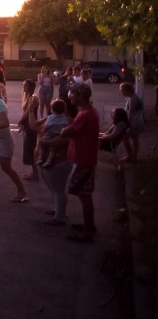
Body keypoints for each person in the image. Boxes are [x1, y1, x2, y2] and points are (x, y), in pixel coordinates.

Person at [59, 83, 101, 243]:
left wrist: (63, 129)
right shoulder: (87, 111)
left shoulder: (85, 114)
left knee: (84, 195)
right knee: (84, 193)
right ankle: (88, 224)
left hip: (84, 159)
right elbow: (75, 127)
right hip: (84, 156)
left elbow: (67, 132)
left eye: (73, 94)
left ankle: (88, 231)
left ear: (80, 96)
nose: (70, 96)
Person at [35, 99, 69, 168]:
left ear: (52, 109)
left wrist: (41, 133)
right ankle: (49, 160)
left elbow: (46, 127)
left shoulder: (50, 118)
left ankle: (40, 158)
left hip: (50, 133)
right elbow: (66, 125)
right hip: (59, 134)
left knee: (42, 144)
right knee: (53, 148)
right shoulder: (64, 118)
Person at [18, 80, 40, 181]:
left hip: (31, 124)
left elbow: (27, 112)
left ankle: (35, 173)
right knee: (28, 147)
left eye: (25, 85)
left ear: (31, 87)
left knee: (31, 148)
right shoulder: (27, 97)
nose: (24, 87)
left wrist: (20, 121)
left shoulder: (33, 98)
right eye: (23, 85)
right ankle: (33, 171)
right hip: (27, 124)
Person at [119, 82, 144, 164]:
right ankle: (134, 157)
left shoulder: (132, 99)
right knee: (134, 139)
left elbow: (131, 113)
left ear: (129, 90)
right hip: (138, 122)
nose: (122, 93)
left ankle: (130, 156)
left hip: (134, 123)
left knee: (125, 139)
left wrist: (127, 125)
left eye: (123, 91)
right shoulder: (131, 97)